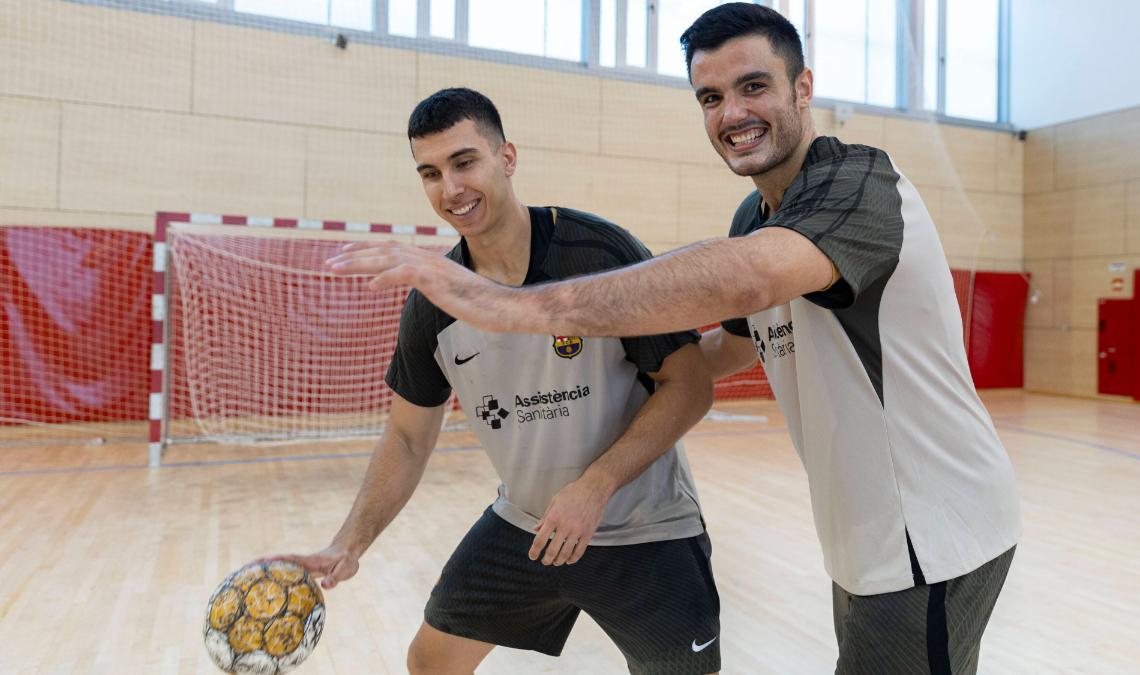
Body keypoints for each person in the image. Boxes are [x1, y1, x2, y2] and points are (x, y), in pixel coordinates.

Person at [326, 5, 1021, 674]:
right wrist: (625, 378)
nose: (732, 113)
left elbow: (748, 280)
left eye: (754, 86)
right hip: (869, 532)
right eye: (711, 97)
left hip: (933, 526)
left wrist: (511, 309)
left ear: (803, 87)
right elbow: (729, 349)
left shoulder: (861, 183)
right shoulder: (756, 217)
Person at [286, 88, 722, 675]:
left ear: (507, 157)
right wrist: (349, 542)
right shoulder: (434, 301)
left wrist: (595, 486)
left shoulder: (597, 253)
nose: (451, 189)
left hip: (647, 528)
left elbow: (689, 385)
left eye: (464, 162)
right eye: (430, 173)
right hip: (528, 524)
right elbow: (408, 437)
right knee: (431, 663)